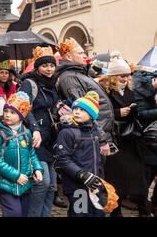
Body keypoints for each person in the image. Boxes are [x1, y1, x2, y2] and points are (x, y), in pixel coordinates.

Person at [99, 51, 150, 216]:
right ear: (113, 76)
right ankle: (116, 211)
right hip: (116, 139)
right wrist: (117, 112)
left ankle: (144, 210)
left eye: (127, 75)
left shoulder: (131, 91)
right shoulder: (105, 92)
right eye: (121, 75)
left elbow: (141, 112)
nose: (125, 79)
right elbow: (101, 113)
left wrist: (134, 110)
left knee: (138, 177)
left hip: (132, 139)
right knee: (117, 180)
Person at [19, 46, 60, 217]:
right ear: (38, 67)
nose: (49, 69)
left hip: (51, 139)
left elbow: (54, 109)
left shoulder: (53, 84)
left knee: (51, 186)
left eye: (51, 65)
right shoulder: (29, 83)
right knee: (42, 182)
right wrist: (34, 128)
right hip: (35, 139)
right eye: (45, 66)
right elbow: (23, 107)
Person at [0, 91, 43, 217]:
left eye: (12, 112)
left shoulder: (26, 132)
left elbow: (31, 153)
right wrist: (16, 175)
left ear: (21, 115)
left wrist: (37, 169)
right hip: (5, 182)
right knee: (14, 213)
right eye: (6, 111)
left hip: (25, 183)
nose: (7, 115)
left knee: (23, 213)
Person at [56, 38, 113, 157]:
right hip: (92, 137)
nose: (85, 56)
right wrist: (102, 139)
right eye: (80, 53)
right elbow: (83, 110)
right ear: (69, 57)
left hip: (98, 133)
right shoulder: (69, 77)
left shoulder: (78, 73)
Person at [54, 91, 105, 217]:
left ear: (92, 114)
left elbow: (97, 158)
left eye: (82, 110)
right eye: (75, 109)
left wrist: (99, 177)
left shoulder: (94, 132)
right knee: (80, 213)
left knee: (98, 213)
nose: (76, 112)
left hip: (94, 184)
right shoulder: (67, 133)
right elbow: (63, 159)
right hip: (77, 186)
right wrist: (81, 174)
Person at [133, 66, 157, 215]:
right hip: (147, 139)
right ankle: (143, 208)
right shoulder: (140, 88)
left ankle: (152, 206)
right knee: (146, 177)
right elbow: (140, 115)